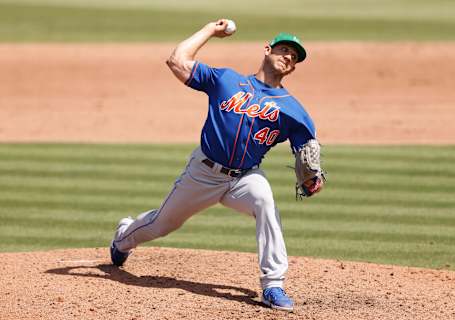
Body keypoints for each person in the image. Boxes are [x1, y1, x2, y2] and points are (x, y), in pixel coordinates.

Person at [110, 19, 324, 312]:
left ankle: (273, 284)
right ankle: (122, 240)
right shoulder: (227, 80)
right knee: (162, 224)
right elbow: (177, 61)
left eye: (294, 57)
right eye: (284, 49)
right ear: (267, 49)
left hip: (244, 178)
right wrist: (210, 29)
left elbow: (307, 150)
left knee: (265, 202)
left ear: (294, 67)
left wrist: (313, 179)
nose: (288, 56)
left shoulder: (293, 110)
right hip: (203, 173)